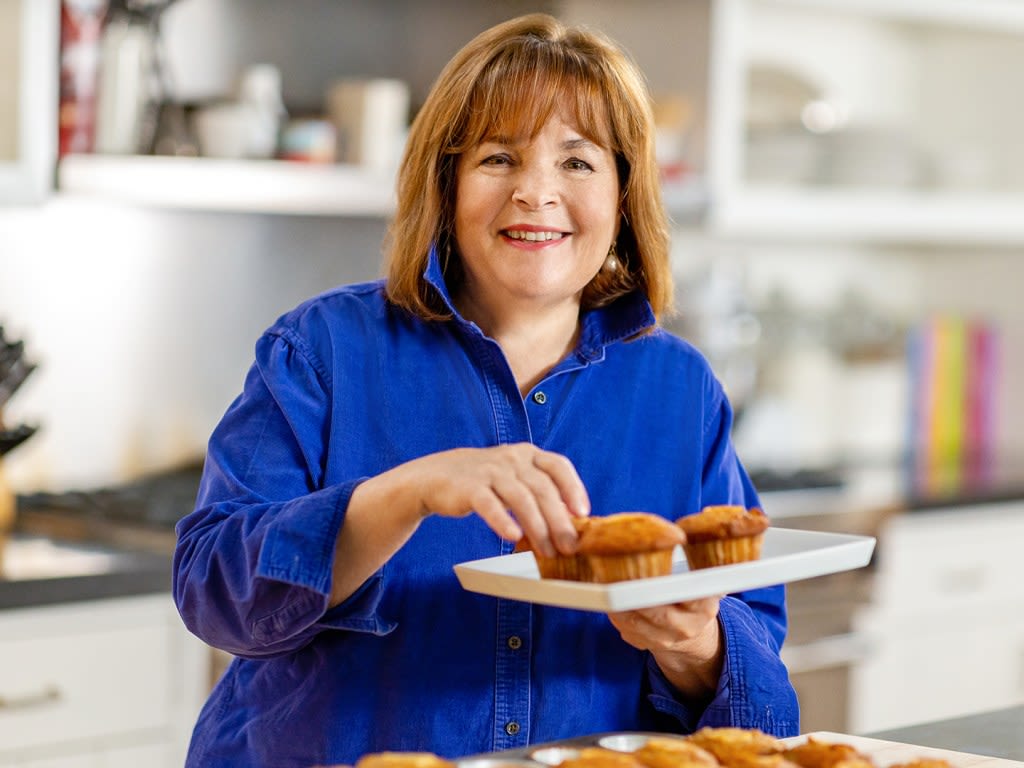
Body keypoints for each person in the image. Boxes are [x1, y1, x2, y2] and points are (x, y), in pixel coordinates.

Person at [172, 12, 799, 768]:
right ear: (446, 182)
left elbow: (764, 707)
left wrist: (696, 644)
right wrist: (411, 491)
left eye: (578, 162)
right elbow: (213, 594)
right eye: (499, 158)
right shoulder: (321, 351)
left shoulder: (678, 388)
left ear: (626, 192)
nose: (536, 193)